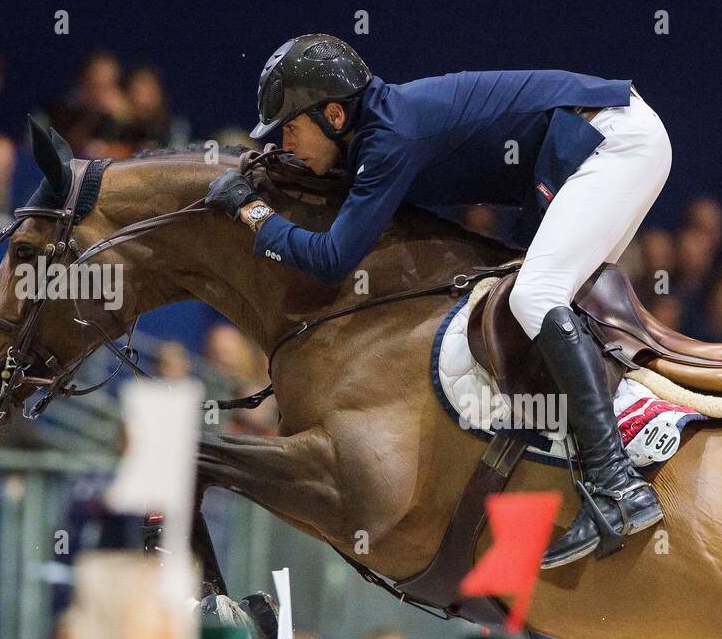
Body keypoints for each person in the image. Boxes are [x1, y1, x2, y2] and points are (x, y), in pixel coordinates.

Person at [204, 34, 671, 568]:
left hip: (613, 141)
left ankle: (618, 484)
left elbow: (332, 260)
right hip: (610, 138)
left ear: (335, 114)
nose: (287, 142)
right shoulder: (379, 130)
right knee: (552, 302)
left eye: (291, 127)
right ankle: (620, 453)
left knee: (535, 296)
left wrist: (251, 213)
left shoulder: (389, 137)